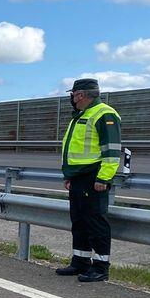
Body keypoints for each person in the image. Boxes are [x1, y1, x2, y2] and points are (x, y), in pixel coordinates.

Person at [56, 78, 122, 282]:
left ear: (80, 95)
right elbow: (74, 150)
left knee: (95, 222)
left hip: (94, 178)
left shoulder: (105, 114)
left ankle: (101, 267)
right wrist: (69, 175)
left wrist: (103, 177)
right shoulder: (80, 116)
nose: (72, 99)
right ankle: (80, 261)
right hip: (78, 178)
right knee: (79, 221)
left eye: (73, 95)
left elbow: (112, 151)